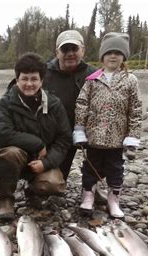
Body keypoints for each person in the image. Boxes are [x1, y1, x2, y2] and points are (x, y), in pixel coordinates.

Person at [0, 53, 72, 221]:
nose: (29, 84)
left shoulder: (54, 104)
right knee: (9, 153)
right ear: (17, 79)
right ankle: (6, 198)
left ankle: (32, 189)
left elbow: (64, 139)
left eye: (34, 79)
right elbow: (2, 135)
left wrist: (46, 163)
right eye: (24, 79)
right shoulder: (6, 103)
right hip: (17, 158)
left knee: (55, 185)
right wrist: (37, 144)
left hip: (42, 160)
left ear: (42, 81)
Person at [74, 32, 142, 219]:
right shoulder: (92, 79)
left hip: (117, 138)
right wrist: (79, 129)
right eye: (109, 52)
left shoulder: (130, 80)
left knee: (115, 169)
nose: (113, 56)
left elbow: (135, 110)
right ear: (102, 56)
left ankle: (114, 199)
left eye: (118, 53)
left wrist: (132, 136)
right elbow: (81, 104)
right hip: (94, 136)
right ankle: (88, 195)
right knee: (90, 167)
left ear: (124, 57)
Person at [43, 30, 96, 180]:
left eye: (74, 48)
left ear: (83, 50)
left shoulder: (94, 75)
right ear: (57, 52)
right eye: (65, 49)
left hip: (86, 132)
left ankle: (93, 184)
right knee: (51, 184)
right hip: (54, 137)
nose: (70, 53)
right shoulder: (42, 74)